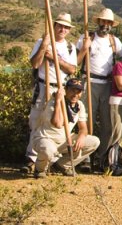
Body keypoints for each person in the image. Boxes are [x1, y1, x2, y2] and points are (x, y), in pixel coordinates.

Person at [23, 13, 78, 173]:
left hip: (60, 89)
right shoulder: (42, 42)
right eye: (60, 25)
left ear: (69, 30)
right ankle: (31, 159)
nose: (63, 29)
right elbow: (35, 64)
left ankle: (50, 160)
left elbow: (72, 69)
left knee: (56, 124)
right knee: (36, 121)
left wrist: (54, 58)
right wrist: (44, 46)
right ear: (54, 26)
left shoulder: (70, 47)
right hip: (43, 86)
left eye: (66, 27)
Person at [76, 8, 122, 165]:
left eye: (108, 22)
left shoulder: (114, 41)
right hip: (89, 82)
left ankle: (102, 157)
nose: (105, 25)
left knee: (107, 122)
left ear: (111, 25)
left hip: (107, 85)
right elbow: (75, 61)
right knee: (86, 120)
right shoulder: (86, 38)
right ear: (98, 22)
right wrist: (85, 48)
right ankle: (85, 157)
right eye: (103, 21)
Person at [32, 78, 100, 178]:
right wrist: (59, 101)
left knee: (94, 141)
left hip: (64, 140)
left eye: (78, 91)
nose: (75, 94)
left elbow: (83, 128)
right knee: (48, 151)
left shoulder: (79, 105)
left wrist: (81, 137)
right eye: (72, 90)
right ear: (65, 90)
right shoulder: (52, 103)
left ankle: (61, 165)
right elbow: (58, 123)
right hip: (45, 139)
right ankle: (40, 169)